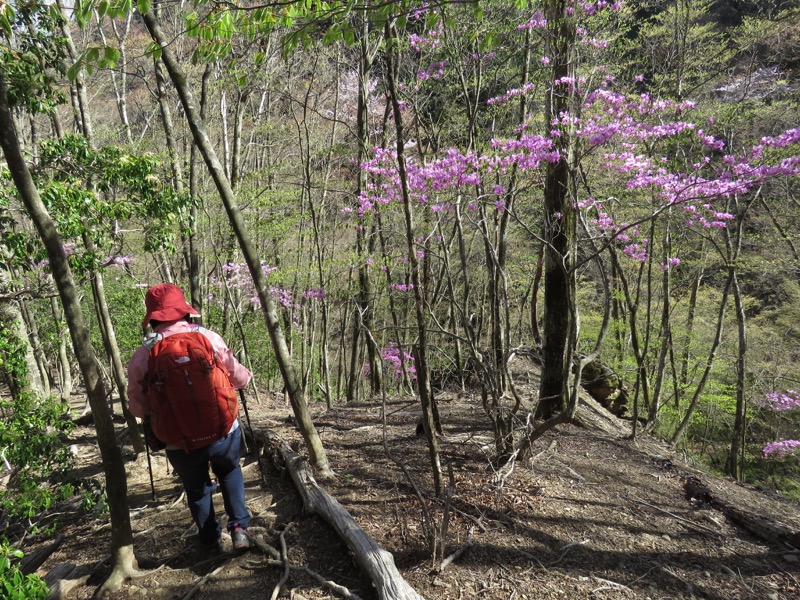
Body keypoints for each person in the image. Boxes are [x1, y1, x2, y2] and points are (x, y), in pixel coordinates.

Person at [127, 283, 253, 552]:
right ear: (185, 311)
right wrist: (244, 378)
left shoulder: (144, 355)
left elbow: (138, 407)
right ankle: (240, 530)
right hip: (222, 429)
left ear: (153, 318)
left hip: (177, 440)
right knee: (230, 471)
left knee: (196, 488)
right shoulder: (209, 338)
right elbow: (238, 377)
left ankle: (210, 540)